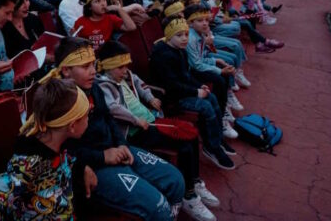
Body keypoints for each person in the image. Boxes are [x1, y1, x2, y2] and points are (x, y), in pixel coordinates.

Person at [49, 37, 185, 220]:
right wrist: (102, 157)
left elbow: (108, 118)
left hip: (117, 149)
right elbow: (61, 149)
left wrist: (122, 144)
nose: (92, 72)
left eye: (93, 64)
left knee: (175, 180)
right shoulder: (59, 103)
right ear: (66, 70)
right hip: (94, 163)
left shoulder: (94, 88)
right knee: (158, 206)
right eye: (85, 66)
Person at [96, 41, 219, 221]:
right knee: (183, 146)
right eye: (119, 67)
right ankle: (188, 196)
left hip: (150, 120)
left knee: (190, 134)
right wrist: (136, 120)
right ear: (107, 67)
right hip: (134, 132)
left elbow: (141, 85)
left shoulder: (126, 75)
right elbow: (113, 108)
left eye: (125, 66)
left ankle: (194, 181)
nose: (124, 70)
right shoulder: (103, 85)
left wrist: (151, 98)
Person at [0, 79, 90, 220]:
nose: (88, 120)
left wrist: (82, 168)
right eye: (86, 116)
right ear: (72, 126)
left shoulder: (63, 144)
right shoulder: (27, 163)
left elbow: (68, 162)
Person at [149, 18, 235, 170]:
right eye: (179, 35)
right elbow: (172, 86)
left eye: (186, 34)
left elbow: (185, 75)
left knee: (212, 96)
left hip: (183, 90)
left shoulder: (180, 50)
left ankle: (215, 139)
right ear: (169, 36)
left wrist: (198, 85)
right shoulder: (163, 56)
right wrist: (196, 92)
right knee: (205, 106)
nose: (184, 38)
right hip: (171, 98)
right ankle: (211, 147)